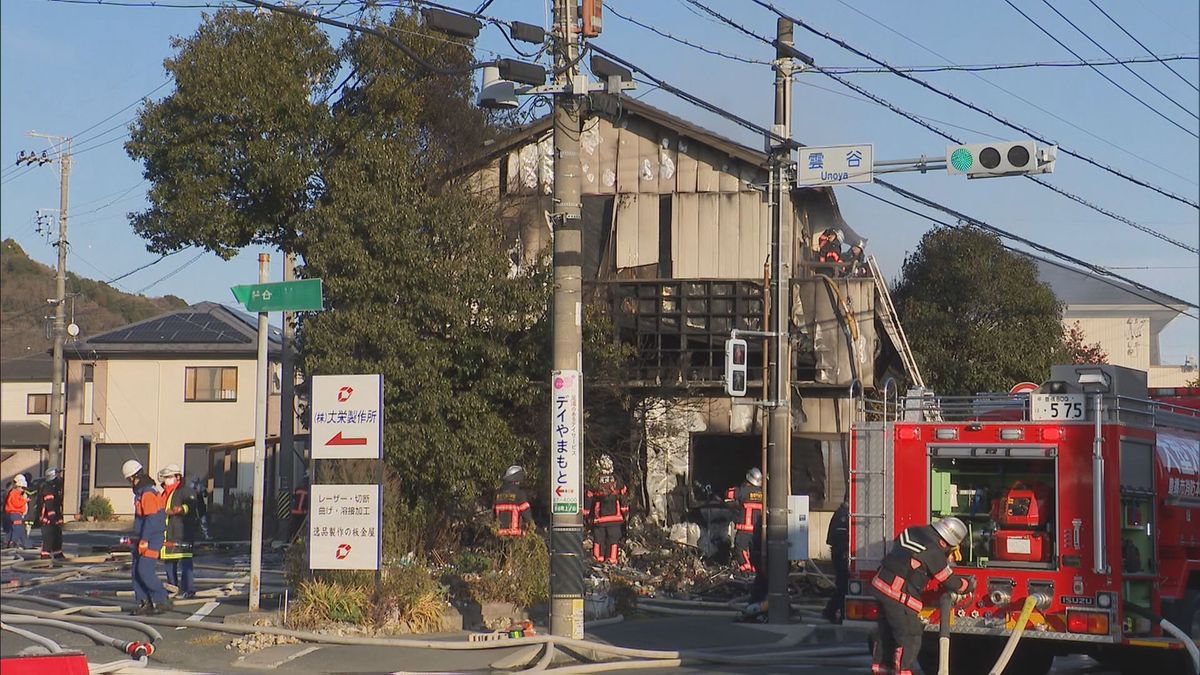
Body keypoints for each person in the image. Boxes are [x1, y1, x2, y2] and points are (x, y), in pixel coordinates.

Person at [870, 517, 974, 675]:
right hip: (896, 593)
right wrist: (968, 585)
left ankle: (880, 669)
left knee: (887, 633)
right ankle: (902, 672)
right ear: (945, 542)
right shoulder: (934, 551)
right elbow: (950, 582)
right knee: (910, 636)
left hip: (881, 585)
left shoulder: (913, 531)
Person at [123, 459, 171, 615]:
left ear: (132, 477)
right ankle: (145, 602)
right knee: (136, 571)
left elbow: (151, 519)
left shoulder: (147, 493)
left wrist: (144, 540)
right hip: (142, 536)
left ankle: (162, 600)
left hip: (152, 537)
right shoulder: (141, 492)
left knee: (144, 570)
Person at [158, 464, 198, 599]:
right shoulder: (165, 493)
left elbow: (192, 505)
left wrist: (180, 509)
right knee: (169, 562)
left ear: (177, 477)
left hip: (182, 533)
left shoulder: (185, 491)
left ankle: (188, 589)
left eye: (170, 477)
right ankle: (173, 588)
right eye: (166, 477)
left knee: (185, 562)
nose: (167, 480)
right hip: (168, 533)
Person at [586, 455, 629, 565]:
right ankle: (612, 560)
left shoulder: (596, 481)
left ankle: (597, 558)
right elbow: (623, 497)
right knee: (613, 540)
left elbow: (589, 498)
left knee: (598, 539)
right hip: (615, 517)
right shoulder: (617, 480)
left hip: (599, 518)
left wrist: (586, 515)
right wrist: (625, 513)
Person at [726, 468, 764, 574]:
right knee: (755, 551)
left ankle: (746, 570)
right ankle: (754, 571)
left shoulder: (744, 490)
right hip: (757, 530)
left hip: (745, 528)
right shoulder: (762, 493)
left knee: (739, 548)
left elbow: (729, 494)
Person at [822, 500, 850, 623]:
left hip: (839, 554)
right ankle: (832, 611)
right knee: (843, 586)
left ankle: (832, 611)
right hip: (841, 555)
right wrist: (844, 551)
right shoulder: (842, 516)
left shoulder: (839, 514)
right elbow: (839, 538)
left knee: (842, 585)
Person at [494, 465, 533, 537]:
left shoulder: (498, 494)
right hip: (515, 536)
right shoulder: (520, 494)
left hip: (499, 537)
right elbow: (527, 516)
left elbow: (494, 517)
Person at [37, 468, 66, 560]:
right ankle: (45, 558)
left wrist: (59, 518)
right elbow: (49, 505)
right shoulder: (48, 488)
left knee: (57, 537)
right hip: (47, 520)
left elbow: (57, 505)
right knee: (48, 539)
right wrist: (54, 519)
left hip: (54, 518)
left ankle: (58, 555)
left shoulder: (55, 488)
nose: (59, 477)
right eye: (57, 475)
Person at [4, 474, 32, 550]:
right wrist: (25, 501)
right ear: (19, 486)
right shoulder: (14, 494)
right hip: (15, 514)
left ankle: (26, 544)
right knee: (18, 529)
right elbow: (16, 504)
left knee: (17, 529)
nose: (23, 490)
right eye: (22, 488)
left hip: (14, 514)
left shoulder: (14, 493)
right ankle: (12, 542)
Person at [288, 472, 309, 544]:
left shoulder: (297, 488)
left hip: (295, 512)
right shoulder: (308, 490)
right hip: (303, 513)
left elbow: (293, 497)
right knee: (301, 528)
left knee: (294, 528)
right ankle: (298, 541)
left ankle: (292, 540)